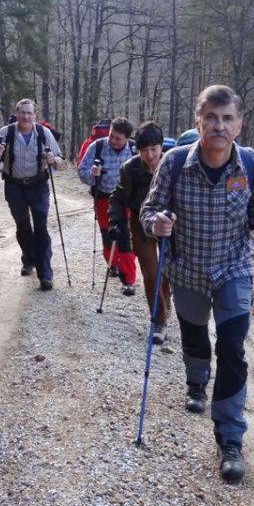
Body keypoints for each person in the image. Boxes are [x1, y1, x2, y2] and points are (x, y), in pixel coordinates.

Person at [140, 85, 254, 483]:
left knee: (232, 349)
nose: (219, 126)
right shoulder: (173, 164)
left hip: (234, 270)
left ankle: (229, 439)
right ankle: (195, 381)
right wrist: (155, 223)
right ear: (198, 122)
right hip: (187, 269)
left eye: (227, 118)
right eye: (211, 117)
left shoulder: (252, 165)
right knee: (194, 338)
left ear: (239, 125)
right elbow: (149, 210)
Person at [0, 98, 63, 290]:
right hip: (14, 186)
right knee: (23, 226)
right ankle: (28, 259)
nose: (26, 116)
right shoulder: (6, 132)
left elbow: (61, 163)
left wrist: (53, 159)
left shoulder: (44, 133)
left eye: (29, 112)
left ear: (35, 115)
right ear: (16, 113)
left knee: (41, 228)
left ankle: (45, 275)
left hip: (38, 185)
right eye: (22, 112)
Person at [107, 121, 172, 343]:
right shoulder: (130, 168)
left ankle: (165, 300)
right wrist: (115, 221)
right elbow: (118, 196)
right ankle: (159, 320)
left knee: (166, 273)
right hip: (140, 223)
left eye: (154, 149)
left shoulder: (173, 165)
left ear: (161, 147)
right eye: (144, 150)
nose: (150, 155)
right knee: (151, 273)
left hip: (170, 225)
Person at [78, 117, 138, 295]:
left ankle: (128, 280)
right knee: (108, 235)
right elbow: (81, 172)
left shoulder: (134, 150)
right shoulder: (96, 147)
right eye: (111, 136)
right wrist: (92, 175)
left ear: (127, 138)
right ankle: (113, 263)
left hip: (128, 200)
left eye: (118, 138)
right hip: (103, 198)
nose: (112, 140)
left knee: (126, 238)